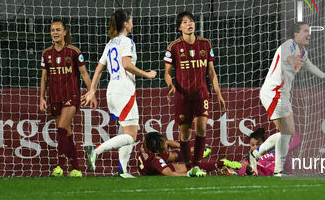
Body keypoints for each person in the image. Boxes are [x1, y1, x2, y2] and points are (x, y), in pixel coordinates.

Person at [82, 9, 157, 178]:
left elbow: (99, 69)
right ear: (125, 24)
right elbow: (126, 64)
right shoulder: (127, 41)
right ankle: (96, 150)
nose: (132, 23)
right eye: (130, 20)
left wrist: (92, 90)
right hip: (124, 89)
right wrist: (147, 74)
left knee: (126, 131)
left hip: (112, 90)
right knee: (131, 136)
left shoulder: (110, 43)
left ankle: (122, 170)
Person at [260, 22, 325, 176]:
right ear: (296, 35)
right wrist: (292, 59)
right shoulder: (289, 45)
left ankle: (259, 157)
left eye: (309, 31)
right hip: (273, 92)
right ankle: (277, 169)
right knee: (287, 132)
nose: (309, 34)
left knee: (288, 133)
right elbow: (286, 55)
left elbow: (309, 66)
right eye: (305, 31)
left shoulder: (302, 52)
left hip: (283, 94)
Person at [164, 11, 226, 178]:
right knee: (185, 133)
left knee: (201, 127)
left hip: (201, 94)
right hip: (183, 96)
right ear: (179, 27)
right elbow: (167, 73)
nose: (189, 24)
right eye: (184, 22)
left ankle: (197, 166)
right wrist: (170, 85)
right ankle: (190, 166)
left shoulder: (205, 44)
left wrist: (218, 93)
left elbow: (212, 73)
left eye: (191, 21)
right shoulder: (174, 47)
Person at [40, 20, 94, 177]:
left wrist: (91, 92)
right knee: (67, 132)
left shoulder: (74, 51)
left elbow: (84, 74)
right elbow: (44, 78)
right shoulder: (46, 54)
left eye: (58, 30)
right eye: (52, 30)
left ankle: (60, 166)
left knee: (62, 129)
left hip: (72, 96)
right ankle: (76, 168)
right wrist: (41, 98)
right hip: (55, 96)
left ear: (65, 32)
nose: (55, 33)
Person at [140, 131, 241, 176]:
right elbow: (171, 174)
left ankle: (194, 151)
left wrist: (185, 148)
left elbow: (168, 142)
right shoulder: (156, 160)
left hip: (147, 164)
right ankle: (221, 162)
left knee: (174, 155)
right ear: (158, 151)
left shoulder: (149, 142)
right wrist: (189, 174)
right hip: (153, 172)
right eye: (164, 146)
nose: (166, 145)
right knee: (192, 166)